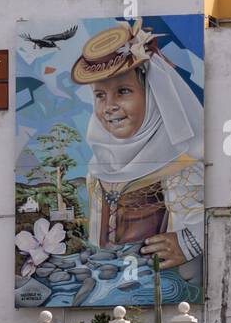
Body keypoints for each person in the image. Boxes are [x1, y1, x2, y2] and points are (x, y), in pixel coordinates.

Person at [70, 22, 204, 272]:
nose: (109, 106)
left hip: (163, 296)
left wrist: (189, 243)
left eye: (123, 92)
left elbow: (219, 218)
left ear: (153, 95)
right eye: (100, 95)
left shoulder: (182, 165)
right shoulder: (98, 166)